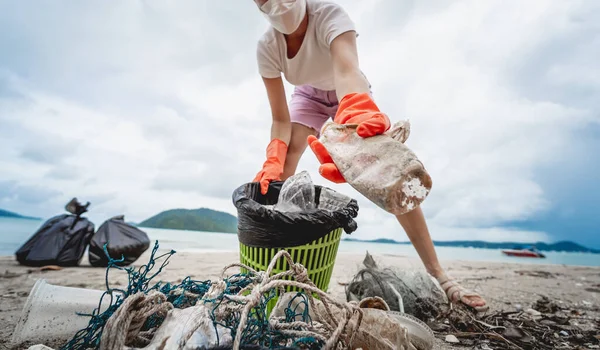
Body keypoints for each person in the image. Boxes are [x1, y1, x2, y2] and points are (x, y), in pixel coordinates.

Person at [251, 0, 488, 313]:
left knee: (387, 174)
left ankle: (439, 275)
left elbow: (347, 70)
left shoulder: (328, 15)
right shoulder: (268, 47)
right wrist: (273, 157)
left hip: (349, 91)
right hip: (307, 98)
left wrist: (356, 106)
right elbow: (281, 120)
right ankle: (272, 270)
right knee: (284, 163)